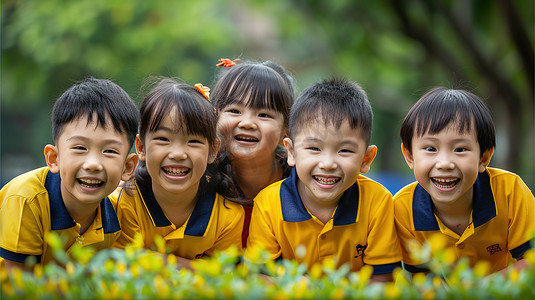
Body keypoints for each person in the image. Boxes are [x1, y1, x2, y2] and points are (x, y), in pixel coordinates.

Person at [245, 78, 402, 282]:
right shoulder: (268, 204)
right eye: (314, 148)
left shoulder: (377, 201)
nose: (328, 163)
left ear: (366, 159)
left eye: (344, 150)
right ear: (291, 151)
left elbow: (383, 280)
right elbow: (259, 277)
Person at [0, 77, 139, 272]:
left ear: (127, 167)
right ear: (54, 158)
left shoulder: (118, 213)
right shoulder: (26, 199)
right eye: (80, 147)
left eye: (109, 151)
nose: (93, 164)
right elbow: (24, 287)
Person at [394, 87, 535, 275]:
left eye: (460, 149)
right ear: (410, 156)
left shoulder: (510, 192)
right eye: (430, 148)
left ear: (483, 158)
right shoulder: (403, 210)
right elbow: (422, 281)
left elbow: (531, 261)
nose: (444, 163)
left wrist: (479, 290)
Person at [112, 77, 244, 269]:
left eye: (193, 141)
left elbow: (222, 279)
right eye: (163, 139)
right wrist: (194, 268)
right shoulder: (123, 204)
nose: (177, 154)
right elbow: (118, 265)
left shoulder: (227, 216)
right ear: (141, 147)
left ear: (213, 150)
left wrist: (152, 260)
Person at [210, 59, 294, 247]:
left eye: (264, 114)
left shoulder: (301, 185)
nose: (247, 123)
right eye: (234, 110)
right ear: (214, 117)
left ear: (286, 130)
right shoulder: (201, 179)